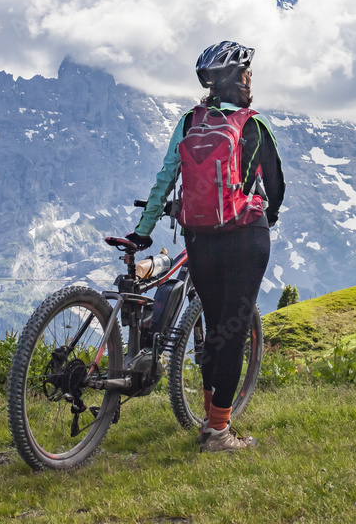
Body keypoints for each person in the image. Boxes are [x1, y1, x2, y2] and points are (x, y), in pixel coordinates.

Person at [126, 40, 285, 452]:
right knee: (233, 334)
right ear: (241, 79)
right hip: (244, 240)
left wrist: (144, 230)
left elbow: (164, 180)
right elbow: (277, 186)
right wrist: (269, 215)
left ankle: (208, 418)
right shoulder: (253, 125)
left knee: (215, 330)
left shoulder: (188, 122)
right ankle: (217, 432)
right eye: (248, 73)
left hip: (200, 240)